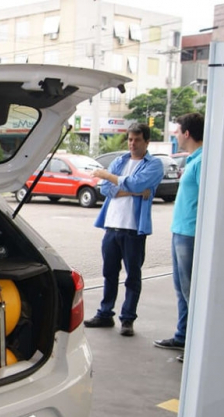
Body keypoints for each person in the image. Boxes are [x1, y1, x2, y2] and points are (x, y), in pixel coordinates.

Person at [83, 123, 164, 336]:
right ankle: (105, 314)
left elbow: (136, 183)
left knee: (132, 276)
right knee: (109, 273)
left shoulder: (154, 164)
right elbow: (105, 189)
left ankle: (127, 319)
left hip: (133, 229)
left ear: (147, 141)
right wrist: (132, 191)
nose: (132, 144)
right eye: (130, 139)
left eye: (137, 140)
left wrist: (108, 176)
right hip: (112, 226)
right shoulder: (120, 161)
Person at [154, 113, 204, 362]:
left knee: (190, 291)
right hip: (181, 231)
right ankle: (182, 336)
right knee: (181, 288)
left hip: (190, 234)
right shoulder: (193, 159)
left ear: (187, 133)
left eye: (177, 131)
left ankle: (195, 345)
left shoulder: (203, 161)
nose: (175, 135)